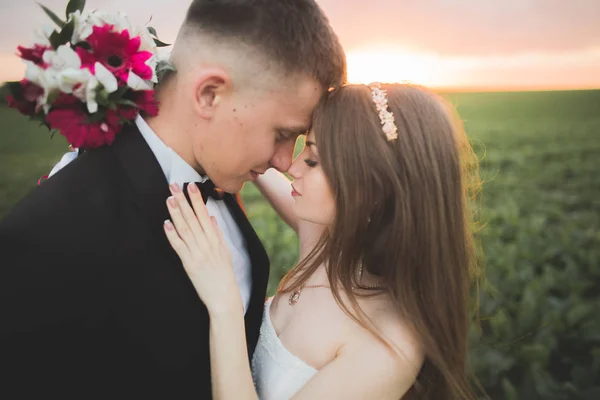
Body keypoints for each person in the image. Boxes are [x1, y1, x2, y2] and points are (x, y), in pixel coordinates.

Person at [0, 0, 346, 398]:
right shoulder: (50, 234)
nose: (284, 161)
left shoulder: (218, 175)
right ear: (210, 95)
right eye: (282, 134)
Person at [164, 83, 481, 399]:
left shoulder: (388, 344)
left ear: (372, 187)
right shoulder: (327, 243)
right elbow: (262, 169)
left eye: (313, 160)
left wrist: (225, 307)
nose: (292, 166)